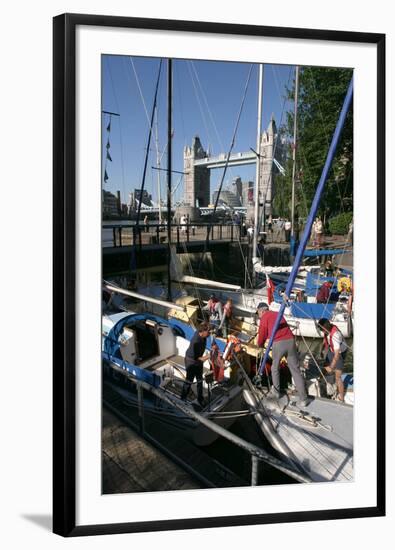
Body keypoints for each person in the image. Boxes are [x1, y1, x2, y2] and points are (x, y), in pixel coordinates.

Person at [256, 303, 308, 405]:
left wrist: (260, 344)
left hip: (278, 342)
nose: (258, 315)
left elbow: (262, 333)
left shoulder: (264, 317)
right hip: (290, 341)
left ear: (261, 311)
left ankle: (276, 392)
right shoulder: (277, 314)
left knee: (275, 368)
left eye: (258, 313)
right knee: (295, 370)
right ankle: (303, 398)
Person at [317, 318, 347, 402]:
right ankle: (322, 381)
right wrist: (322, 349)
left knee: (338, 376)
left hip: (340, 353)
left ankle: (341, 397)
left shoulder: (335, 336)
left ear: (325, 328)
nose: (322, 332)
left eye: (322, 330)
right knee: (324, 367)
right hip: (331, 349)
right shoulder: (327, 330)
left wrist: (331, 367)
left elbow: (337, 354)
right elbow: (325, 338)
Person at [181, 322, 211, 406]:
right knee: (189, 381)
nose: (209, 334)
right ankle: (182, 398)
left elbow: (201, 324)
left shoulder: (203, 335)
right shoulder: (195, 342)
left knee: (200, 380)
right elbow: (196, 359)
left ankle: (200, 399)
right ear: (203, 332)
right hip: (191, 361)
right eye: (208, 332)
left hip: (198, 360)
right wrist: (208, 356)